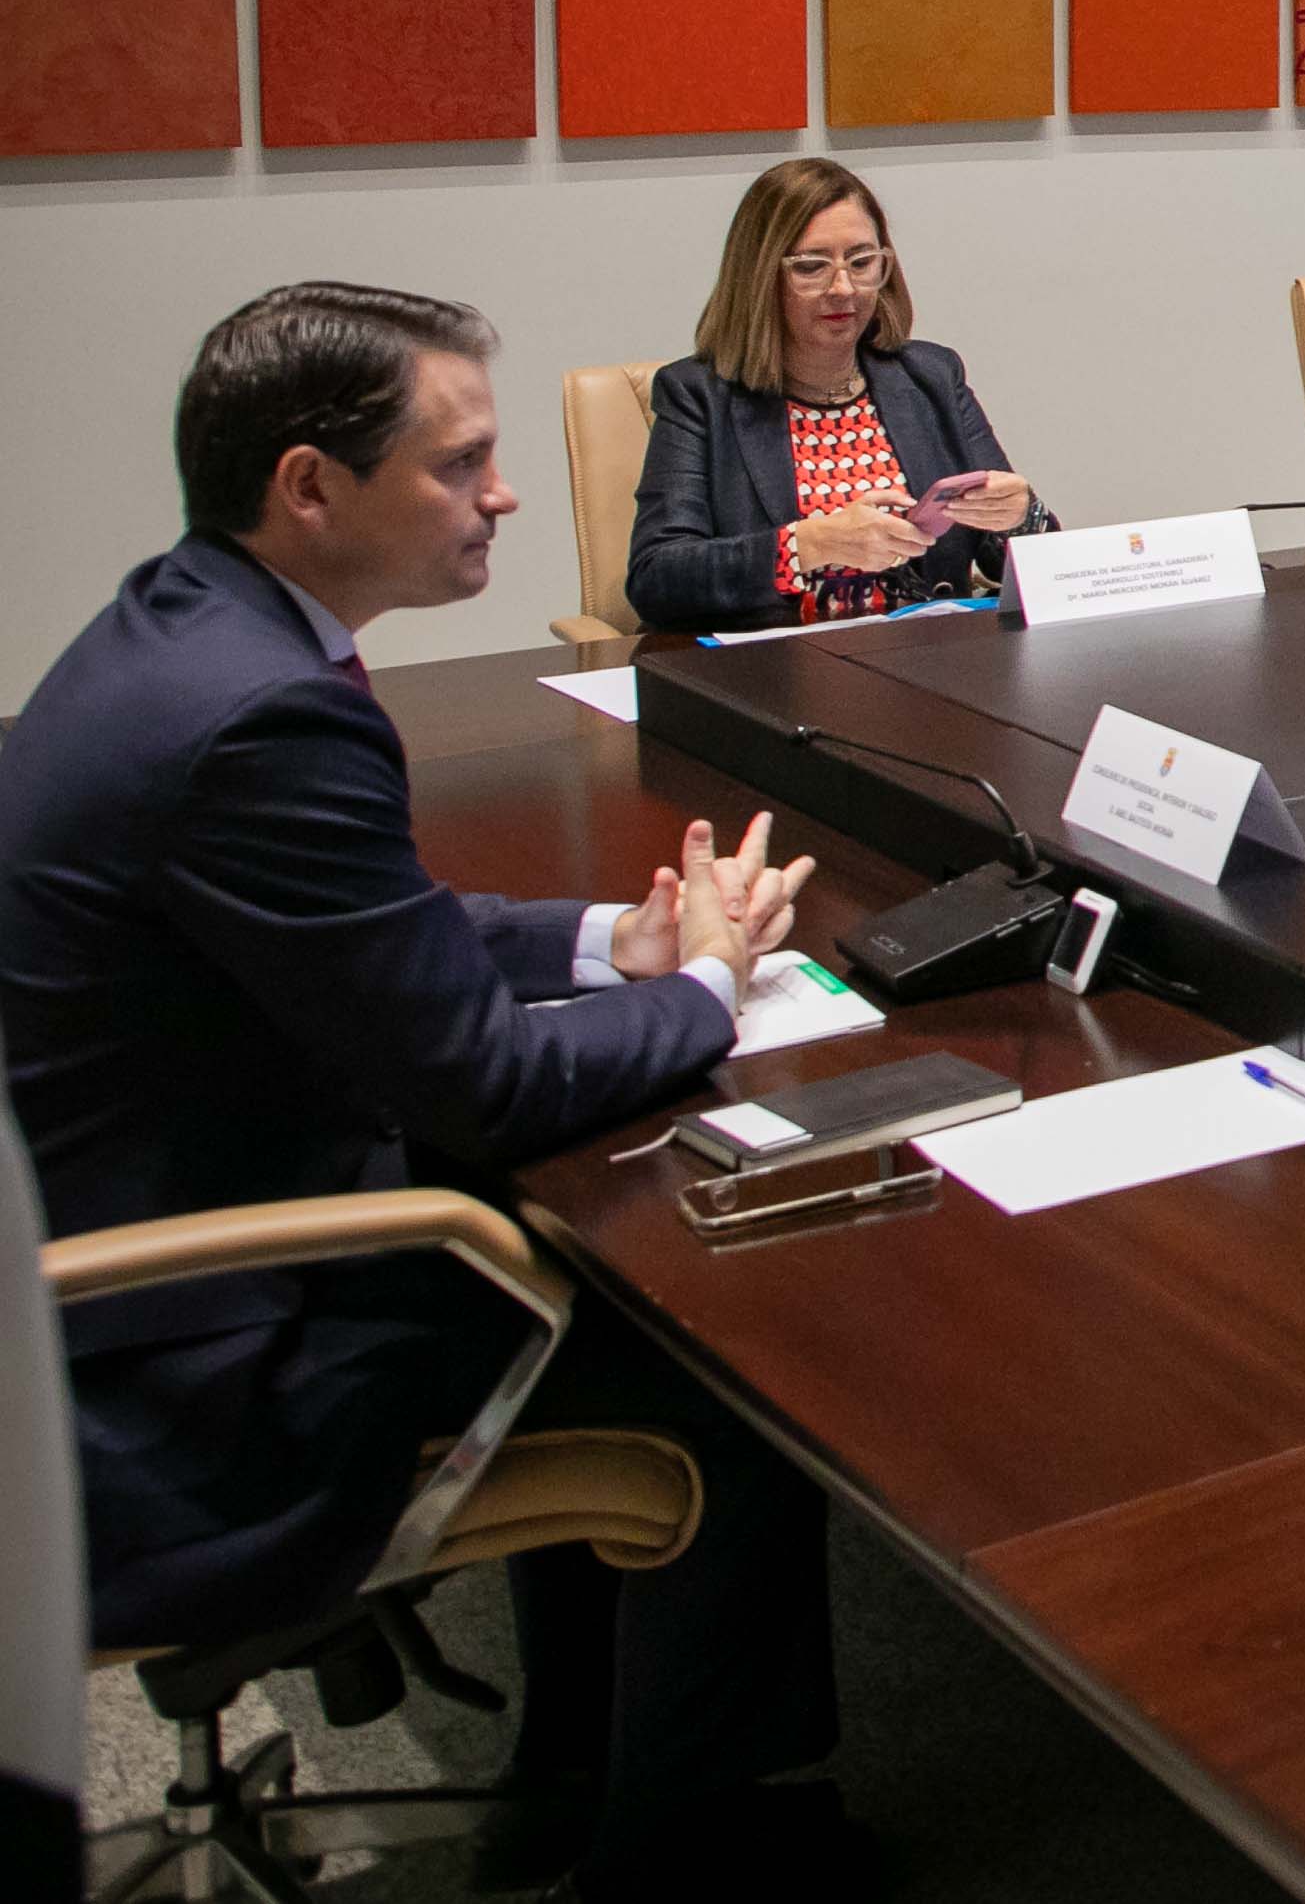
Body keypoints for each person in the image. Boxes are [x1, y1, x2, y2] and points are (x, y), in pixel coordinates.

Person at [0, 286, 849, 1898]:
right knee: (734, 1372)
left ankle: (570, 1777)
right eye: (462, 464)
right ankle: (680, 1857)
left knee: (601, 1293)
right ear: (311, 486)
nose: (507, 493)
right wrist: (709, 987)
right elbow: (484, 1084)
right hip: (169, 1370)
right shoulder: (263, 716)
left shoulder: (189, 629)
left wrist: (613, 936)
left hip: (103, 1252)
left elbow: (375, 927)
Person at [627, 160, 1045, 634]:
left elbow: (1027, 567)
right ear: (760, 276)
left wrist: (1021, 517)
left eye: (862, 263)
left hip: (928, 662)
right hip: (774, 677)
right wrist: (805, 546)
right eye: (811, 267)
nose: (843, 288)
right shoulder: (698, 395)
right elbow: (656, 578)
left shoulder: (930, 376)